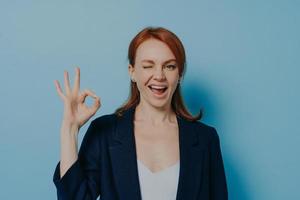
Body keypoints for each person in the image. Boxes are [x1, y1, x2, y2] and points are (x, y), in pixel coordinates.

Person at [53, 26, 228, 200]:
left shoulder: (206, 139)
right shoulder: (104, 132)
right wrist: (69, 129)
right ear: (132, 72)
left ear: (180, 74)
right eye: (148, 66)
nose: (159, 75)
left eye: (170, 66)